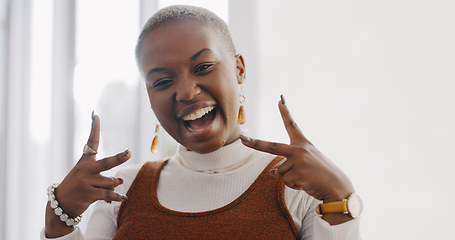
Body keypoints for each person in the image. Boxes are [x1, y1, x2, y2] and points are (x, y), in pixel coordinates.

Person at [41, 5, 361, 239]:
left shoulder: (298, 187)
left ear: (239, 69)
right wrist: (60, 219)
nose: (185, 91)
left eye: (203, 67)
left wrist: (340, 199)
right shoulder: (121, 192)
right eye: (162, 81)